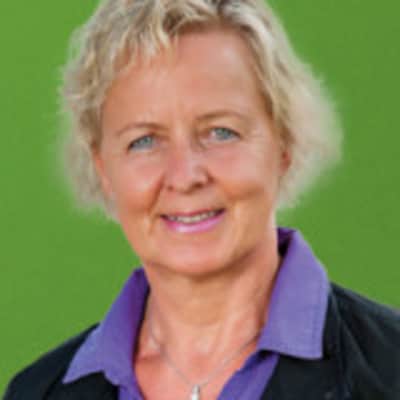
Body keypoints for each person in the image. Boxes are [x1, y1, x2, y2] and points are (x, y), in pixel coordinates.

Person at [4, 0, 399, 399]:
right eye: (144, 141)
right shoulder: (36, 393)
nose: (185, 175)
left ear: (284, 144)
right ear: (103, 168)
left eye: (221, 132)